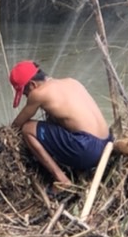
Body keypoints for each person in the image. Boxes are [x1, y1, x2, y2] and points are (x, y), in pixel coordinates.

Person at [9, 60, 112, 192]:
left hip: (87, 149)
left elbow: (17, 125)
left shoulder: (38, 94)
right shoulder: (71, 82)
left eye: (25, 94)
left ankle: (61, 180)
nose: (27, 97)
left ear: (33, 85)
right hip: (107, 144)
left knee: (27, 128)